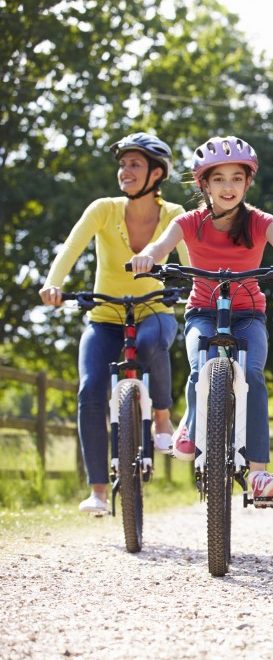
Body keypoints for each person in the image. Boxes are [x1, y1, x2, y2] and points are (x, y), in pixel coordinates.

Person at [129, 135, 273, 502]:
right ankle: (192, 425)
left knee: (252, 375)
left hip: (248, 315)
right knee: (201, 366)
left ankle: (259, 474)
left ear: (248, 182)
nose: (228, 186)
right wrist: (148, 257)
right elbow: (160, 246)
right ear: (204, 184)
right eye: (218, 179)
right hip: (202, 312)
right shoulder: (189, 222)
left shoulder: (262, 222)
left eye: (236, 178)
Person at [38, 132, 189, 515]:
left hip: (154, 310)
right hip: (105, 316)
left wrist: (196, 292)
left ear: (157, 173)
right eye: (122, 164)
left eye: (134, 164)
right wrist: (54, 284)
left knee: (155, 343)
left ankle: (161, 418)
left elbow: (190, 266)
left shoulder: (173, 216)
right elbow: (71, 248)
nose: (125, 171)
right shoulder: (103, 209)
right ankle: (99, 492)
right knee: (90, 389)